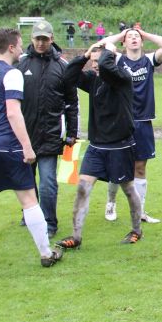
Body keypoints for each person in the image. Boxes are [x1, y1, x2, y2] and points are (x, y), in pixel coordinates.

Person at [0, 27, 64, 270]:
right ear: (10, 47)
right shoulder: (11, 73)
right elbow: (13, 112)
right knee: (29, 199)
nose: (21, 49)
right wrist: (27, 147)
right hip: (6, 145)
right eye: (19, 45)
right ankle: (46, 253)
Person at [56, 37, 142, 250]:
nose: (95, 65)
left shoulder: (122, 77)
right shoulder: (93, 79)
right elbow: (68, 77)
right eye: (93, 61)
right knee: (82, 188)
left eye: (98, 60)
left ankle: (136, 230)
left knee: (128, 189)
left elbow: (106, 65)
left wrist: (108, 51)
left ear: (110, 59)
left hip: (120, 146)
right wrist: (85, 55)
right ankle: (76, 237)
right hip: (96, 147)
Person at [104, 26, 162, 226]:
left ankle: (140, 211)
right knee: (118, 167)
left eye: (137, 37)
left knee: (140, 168)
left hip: (143, 121)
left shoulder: (149, 60)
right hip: (122, 121)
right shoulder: (118, 60)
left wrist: (144, 34)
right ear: (124, 43)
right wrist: (122, 34)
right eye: (130, 37)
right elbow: (103, 44)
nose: (134, 39)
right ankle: (110, 203)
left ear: (142, 41)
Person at [17, 21, 78, 240]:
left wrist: (72, 132)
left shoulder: (62, 65)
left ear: (51, 38)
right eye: (37, 39)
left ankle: (49, 223)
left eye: (45, 39)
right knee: (26, 182)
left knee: (47, 183)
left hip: (51, 135)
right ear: (31, 39)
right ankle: (29, 214)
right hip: (25, 136)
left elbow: (72, 102)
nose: (41, 43)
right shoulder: (20, 64)